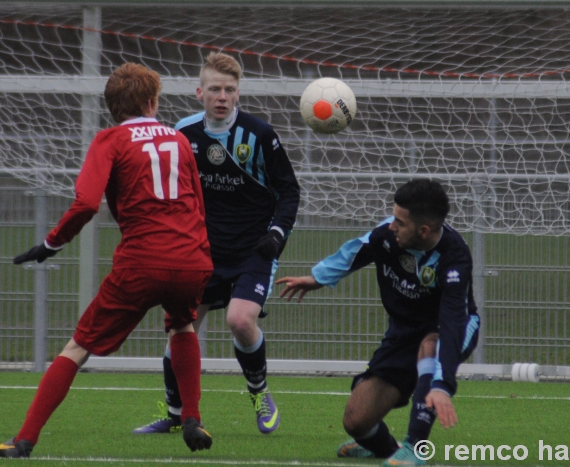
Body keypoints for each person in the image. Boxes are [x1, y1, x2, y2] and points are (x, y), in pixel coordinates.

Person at [0, 63, 214, 458]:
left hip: (142, 262)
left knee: (77, 348)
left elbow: (85, 203)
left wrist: (51, 243)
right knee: (182, 326)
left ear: (113, 107)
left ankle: (24, 439)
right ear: (152, 102)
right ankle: (193, 417)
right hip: (191, 259)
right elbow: (197, 202)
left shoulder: (110, 139)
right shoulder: (180, 140)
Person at [133, 52, 300, 436]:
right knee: (180, 329)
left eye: (228, 89)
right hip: (200, 252)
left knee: (240, 320)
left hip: (252, 250)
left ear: (238, 94)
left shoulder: (260, 135)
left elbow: (289, 192)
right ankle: (176, 415)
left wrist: (276, 235)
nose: (221, 96)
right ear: (199, 93)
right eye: (214, 89)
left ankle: (259, 392)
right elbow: (172, 191)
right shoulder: (183, 133)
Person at [277, 179, 479, 467]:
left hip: (453, 328)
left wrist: (443, 384)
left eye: (400, 222)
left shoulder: (454, 257)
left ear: (424, 231)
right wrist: (318, 278)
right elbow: (357, 250)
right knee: (356, 422)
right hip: (404, 331)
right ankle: (386, 448)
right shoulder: (387, 234)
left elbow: (452, 322)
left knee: (430, 345)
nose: (392, 226)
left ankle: (415, 448)